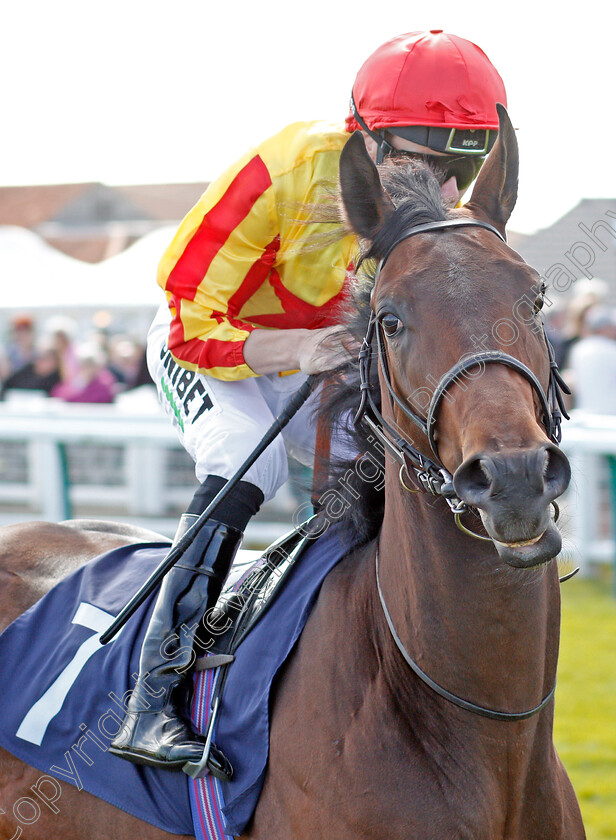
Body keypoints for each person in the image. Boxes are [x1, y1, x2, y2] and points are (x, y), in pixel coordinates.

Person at [109, 30, 507, 772]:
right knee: (244, 463)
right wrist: (294, 351)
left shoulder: (435, 200)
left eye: (464, 166)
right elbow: (192, 311)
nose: (447, 192)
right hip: (208, 335)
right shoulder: (285, 167)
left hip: (311, 351)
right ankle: (150, 699)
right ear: (371, 140)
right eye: (430, 164)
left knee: (384, 473)